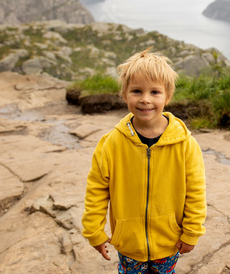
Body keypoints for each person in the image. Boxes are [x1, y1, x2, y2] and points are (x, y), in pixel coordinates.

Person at [81, 48, 207, 273]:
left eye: (155, 92)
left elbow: (195, 191)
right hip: (129, 245)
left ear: (167, 96)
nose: (145, 100)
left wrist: (192, 231)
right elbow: (97, 190)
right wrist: (94, 231)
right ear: (124, 95)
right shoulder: (111, 143)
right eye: (137, 91)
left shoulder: (185, 144)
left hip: (168, 242)